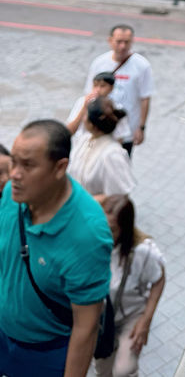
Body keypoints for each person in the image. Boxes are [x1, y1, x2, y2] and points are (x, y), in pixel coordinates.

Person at [0, 119, 112, 377]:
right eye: (14, 161)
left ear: (60, 167)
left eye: (27, 165)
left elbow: (86, 327)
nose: (15, 174)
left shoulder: (88, 235)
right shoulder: (12, 194)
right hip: (4, 337)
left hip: (45, 355)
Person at [95, 195, 165, 377]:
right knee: (103, 372)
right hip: (102, 319)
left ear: (124, 230)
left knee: (124, 370)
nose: (103, 233)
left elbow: (159, 278)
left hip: (131, 316)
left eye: (111, 229)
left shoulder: (142, 252)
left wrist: (146, 321)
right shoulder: (92, 242)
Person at [85, 25, 154, 157]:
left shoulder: (142, 66)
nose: (122, 46)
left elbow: (145, 98)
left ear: (132, 41)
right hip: (101, 129)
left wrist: (141, 127)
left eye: (126, 42)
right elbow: (90, 94)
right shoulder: (99, 63)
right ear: (110, 41)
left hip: (127, 129)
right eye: (118, 42)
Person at [67, 98, 135, 200]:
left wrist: (83, 202)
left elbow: (120, 195)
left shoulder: (112, 154)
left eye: (85, 114)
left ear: (91, 124)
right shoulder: (84, 140)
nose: (82, 117)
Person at [67, 72, 129, 147]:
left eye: (102, 86)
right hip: (81, 147)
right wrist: (84, 107)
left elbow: (119, 137)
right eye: (95, 86)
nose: (98, 89)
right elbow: (70, 130)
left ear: (111, 88)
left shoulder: (116, 107)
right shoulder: (82, 102)